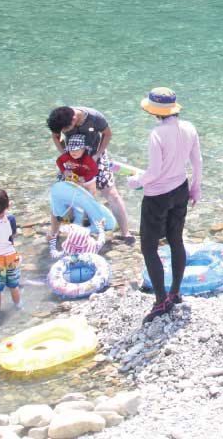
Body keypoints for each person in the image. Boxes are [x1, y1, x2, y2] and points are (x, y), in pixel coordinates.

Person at [127, 87, 203, 323]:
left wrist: (136, 182)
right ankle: (175, 292)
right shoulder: (189, 127)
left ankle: (161, 301)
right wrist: (196, 187)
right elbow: (197, 160)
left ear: (154, 112)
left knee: (149, 247)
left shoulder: (157, 134)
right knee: (175, 240)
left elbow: (155, 171)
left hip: (157, 195)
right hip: (181, 189)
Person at [46, 105, 133, 243]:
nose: (63, 132)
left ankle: (125, 233)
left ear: (74, 119)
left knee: (111, 193)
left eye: (65, 130)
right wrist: (65, 155)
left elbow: (107, 134)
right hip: (72, 158)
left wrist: (98, 154)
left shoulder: (95, 118)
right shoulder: (60, 121)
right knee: (60, 193)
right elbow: (56, 137)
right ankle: (54, 233)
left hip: (95, 155)